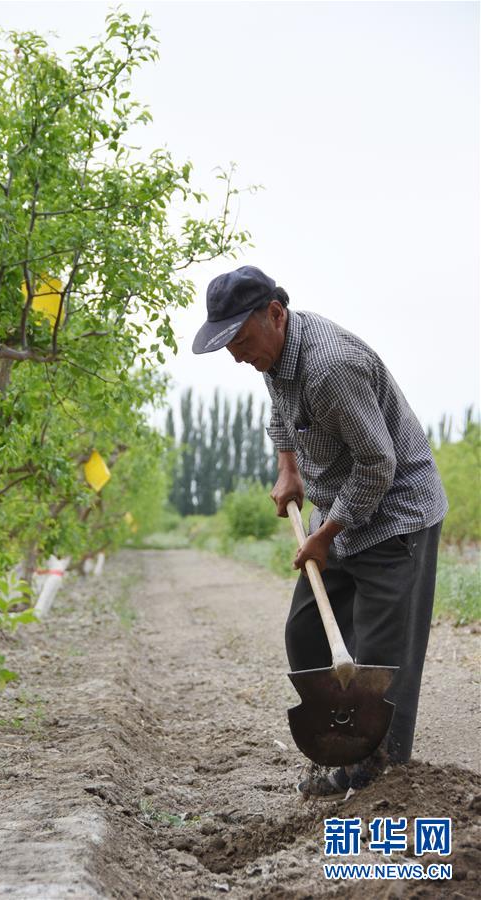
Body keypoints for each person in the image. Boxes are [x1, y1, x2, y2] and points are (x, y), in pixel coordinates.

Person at [192, 265, 447, 798]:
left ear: (275, 314)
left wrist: (326, 534)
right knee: (306, 634)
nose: (237, 356)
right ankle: (345, 750)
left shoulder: (332, 367)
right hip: (341, 511)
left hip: (396, 513)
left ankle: (378, 779)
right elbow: (282, 414)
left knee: (380, 662)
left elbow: (378, 464)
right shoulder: (272, 354)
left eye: (241, 341)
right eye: (229, 346)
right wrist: (289, 469)